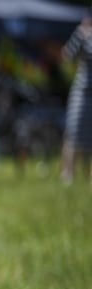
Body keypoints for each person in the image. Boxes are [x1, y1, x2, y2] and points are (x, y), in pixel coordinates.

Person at [61, 14, 92, 185]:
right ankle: (68, 173)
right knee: (73, 130)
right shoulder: (81, 35)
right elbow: (67, 56)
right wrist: (80, 36)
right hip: (82, 91)